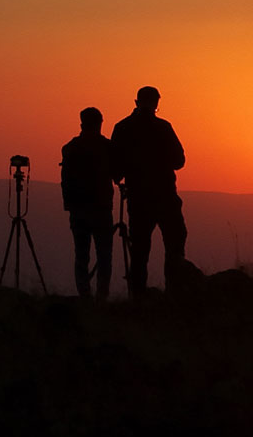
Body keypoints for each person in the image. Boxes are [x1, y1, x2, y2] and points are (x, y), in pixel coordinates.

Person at [110, 86, 187, 298]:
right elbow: (179, 161)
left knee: (140, 249)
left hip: (139, 198)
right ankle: (175, 293)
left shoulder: (123, 128)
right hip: (165, 195)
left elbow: (115, 168)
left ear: (136, 102)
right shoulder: (163, 127)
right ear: (156, 104)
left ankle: (138, 296)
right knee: (174, 243)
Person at [60, 107, 117, 299]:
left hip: (78, 209)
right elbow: (117, 174)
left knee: (81, 255)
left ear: (82, 123)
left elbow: (66, 179)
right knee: (104, 256)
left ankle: (84, 295)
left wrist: (69, 204)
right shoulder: (107, 147)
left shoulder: (70, 148)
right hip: (101, 209)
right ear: (100, 123)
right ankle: (102, 297)